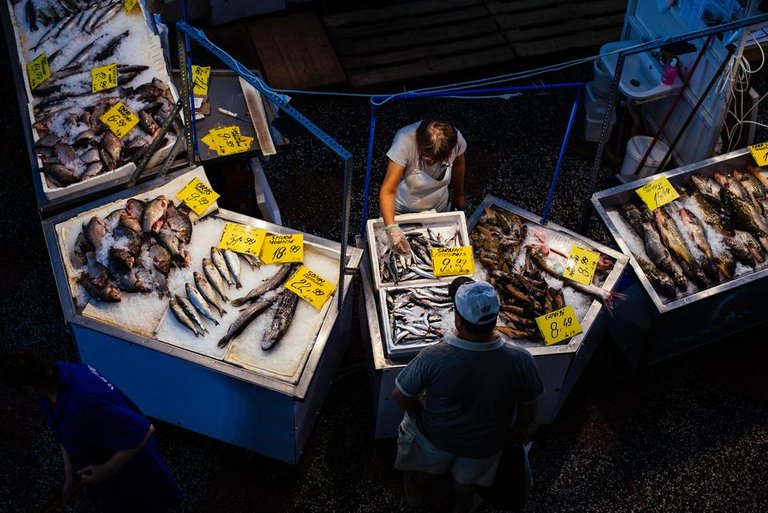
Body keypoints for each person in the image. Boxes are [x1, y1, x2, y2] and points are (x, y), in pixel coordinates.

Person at [392, 277, 543, 513]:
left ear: (458, 320)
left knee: (424, 471)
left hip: (436, 435)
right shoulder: (521, 360)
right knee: (467, 482)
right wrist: (518, 430)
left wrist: (419, 413)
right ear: (496, 319)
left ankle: (416, 494)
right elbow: (529, 405)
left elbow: (400, 396)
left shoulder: (433, 356)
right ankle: (462, 505)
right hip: (486, 444)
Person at [0, 350, 182, 513]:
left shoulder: (84, 403)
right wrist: (69, 477)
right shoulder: (55, 377)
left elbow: (144, 430)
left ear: (28, 388)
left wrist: (106, 470)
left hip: (132, 469)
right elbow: (61, 430)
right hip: (100, 458)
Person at [379, 119, 467, 254]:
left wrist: (459, 194)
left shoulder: (455, 139)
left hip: (437, 207)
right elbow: (388, 191)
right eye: (428, 159)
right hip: (401, 210)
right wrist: (391, 228)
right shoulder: (404, 142)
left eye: (438, 160)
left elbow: (459, 165)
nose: (432, 163)